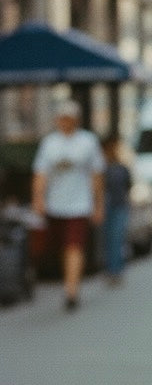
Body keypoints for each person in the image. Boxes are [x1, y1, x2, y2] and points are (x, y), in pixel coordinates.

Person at [31, 100, 104, 310]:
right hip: (55, 205)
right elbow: (40, 173)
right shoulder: (50, 143)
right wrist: (38, 198)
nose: (65, 123)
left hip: (80, 205)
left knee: (74, 246)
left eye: (69, 119)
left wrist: (98, 204)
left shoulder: (87, 142)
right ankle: (69, 281)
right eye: (62, 118)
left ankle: (71, 290)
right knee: (62, 247)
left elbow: (97, 175)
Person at [101, 135, 132, 285]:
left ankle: (117, 270)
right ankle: (111, 269)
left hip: (119, 206)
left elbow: (128, 186)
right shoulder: (101, 168)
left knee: (117, 239)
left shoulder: (121, 168)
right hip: (106, 207)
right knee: (108, 239)